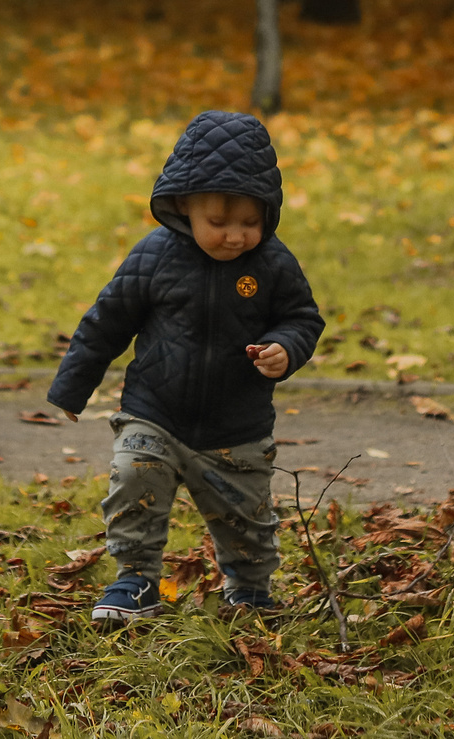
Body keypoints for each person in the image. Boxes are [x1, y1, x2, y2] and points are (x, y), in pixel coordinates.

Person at [48, 110, 325, 623]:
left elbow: (302, 318)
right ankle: (135, 580)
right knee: (134, 482)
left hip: (236, 425)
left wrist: (286, 347)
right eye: (218, 223)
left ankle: (250, 590)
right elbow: (106, 321)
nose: (236, 236)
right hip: (155, 411)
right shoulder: (154, 257)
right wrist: (71, 387)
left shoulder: (273, 264)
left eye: (250, 221)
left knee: (247, 519)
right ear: (183, 209)